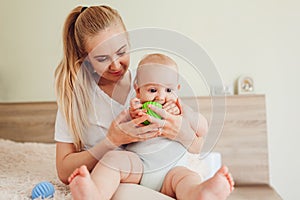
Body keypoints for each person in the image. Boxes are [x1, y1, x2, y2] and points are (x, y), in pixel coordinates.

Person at [54, 5, 234, 200]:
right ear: (87, 60)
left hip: (170, 168)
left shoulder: (152, 78)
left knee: (188, 178)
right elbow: (64, 171)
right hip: (134, 167)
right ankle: (93, 194)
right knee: (112, 159)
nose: (115, 65)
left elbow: (201, 141)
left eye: (121, 52)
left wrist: (181, 131)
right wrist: (112, 141)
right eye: (102, 58)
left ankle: (202, 194)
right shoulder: (76, 97)